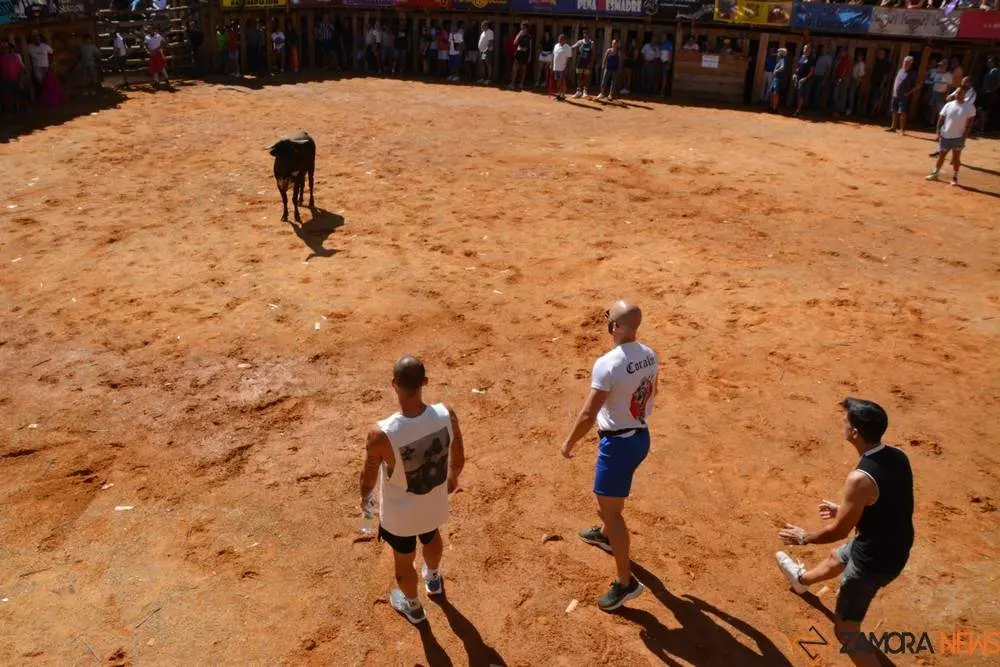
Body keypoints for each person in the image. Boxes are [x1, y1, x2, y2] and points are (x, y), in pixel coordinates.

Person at [776, 398, 913, 667]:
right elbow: (890, 504)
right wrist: (844, 509)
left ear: (855, 433)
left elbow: (839, 531)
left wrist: (804, 537)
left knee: (846, 631)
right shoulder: (897, 456)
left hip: (873, 562)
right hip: (892, 542)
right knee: (837, 557)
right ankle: (801, 580)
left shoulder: (859, 479)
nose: (842, 423)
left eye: (846, 421)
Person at [561, 301, 658, 612]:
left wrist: (568, 443)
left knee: (612, 511)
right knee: (609, 503)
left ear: (615, 327)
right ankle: (604, 535)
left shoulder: (608, 364)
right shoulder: (649, 355)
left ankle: (626, 583)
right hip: (640, 437)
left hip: (618, 446)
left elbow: (589, 413)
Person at [359, 356, 465, 625]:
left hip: (400, 515)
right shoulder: (446, 415)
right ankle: (433, 578)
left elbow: (369, 472)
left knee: (404, 559)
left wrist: (365, 496)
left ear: (394, 385)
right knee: (431, 537)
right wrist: (452, 477)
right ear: (425, 383)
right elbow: (458, 455)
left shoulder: (381, 434)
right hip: (433, 502)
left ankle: (414, 607)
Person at [926, 86, 975, 186]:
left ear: (964, 94)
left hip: (958, 137)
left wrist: (964, 136)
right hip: (945, 135)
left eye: (960, 93)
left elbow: (970, 123)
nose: (958, 95)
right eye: (956, 93)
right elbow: (941, 118)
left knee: (956, 158)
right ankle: (935, 173)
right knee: (941, 155)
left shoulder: (969, 107)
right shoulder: (949, 105)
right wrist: (938, 131)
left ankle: (955, 177)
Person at [888, 56, 916, 134]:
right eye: (904, 62)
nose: (905, 64)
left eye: (907, 62)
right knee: (894, 110)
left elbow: (917, 85)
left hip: (904, 96)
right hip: (895, 94)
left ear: (911, 64)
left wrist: (909, 92)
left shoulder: (912, 73)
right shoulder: (900, 70)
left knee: (903, 112)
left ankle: (902, 130)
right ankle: (893, 127)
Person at [0, 41, 27, 114]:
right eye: (2, 48)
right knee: (7, 99)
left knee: (18, 96)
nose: (4, 49)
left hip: (15, 80)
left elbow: (21, 70)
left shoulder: (14, 56)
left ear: (8, 48)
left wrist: (20, 81)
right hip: (4, 82)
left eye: (6, 48)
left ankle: (18, 110)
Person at [792, 44, 815, 117]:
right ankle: (798, 109)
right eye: (805, 49)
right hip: (798, 78)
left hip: (804, 80)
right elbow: (798, 67)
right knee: (798, 94)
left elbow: (812, 71)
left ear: (810, 50)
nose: (805, 50)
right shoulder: (801, 57)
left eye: (807, 49)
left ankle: (799, 111)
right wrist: (795, 74)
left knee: (801, 95)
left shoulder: (811, 59)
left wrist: (805, 78)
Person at [571, 29, 595, 99]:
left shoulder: (592, 43)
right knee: (579, 77)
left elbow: (593, 54)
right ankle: (578, 91)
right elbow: (573, 46)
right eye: (584, 33)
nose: (585, 34)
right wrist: (567, 47)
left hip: (588, 62)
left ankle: (585, 92)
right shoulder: (580, 42)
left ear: (588, 34)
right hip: (580, 62)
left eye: (586, 33)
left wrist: (591, 62)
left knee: (586, 77)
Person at [509, 22, 531, 91]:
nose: (522, 29)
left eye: (524, 28)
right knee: (515, 69)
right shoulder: (519, 35)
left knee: (523, 69)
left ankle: (521, 84)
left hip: (525, 54)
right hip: (518, 53)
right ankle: (512, 83)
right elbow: (515, 42)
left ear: (527, 29)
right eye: (522, 27)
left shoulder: (529, 36)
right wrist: (519, 34)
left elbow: (530, 47)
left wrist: (530, 56)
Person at [978, 55, 998, 131]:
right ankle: (981, 125)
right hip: (985, 92)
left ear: (993, 62)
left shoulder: (995, 70)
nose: (987, 63)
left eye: (989, 61)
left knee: (984, 110)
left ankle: (982, 127)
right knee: (982, 110)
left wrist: (992, 90)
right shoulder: (989, 70)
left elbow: (999, 82)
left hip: (989, 93)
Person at [869, 49, 891, 117]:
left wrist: (882, 84)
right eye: (879, 53)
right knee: (873, 97)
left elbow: (886, 75)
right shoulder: (877, 62)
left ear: (884, 55)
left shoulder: (886, 63)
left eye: (881, 53)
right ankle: (871, 112)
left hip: (880, 83)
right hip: (874, 82)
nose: (879, 55)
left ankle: (874, 113)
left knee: (877, 98)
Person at [551, 33, 571, 101]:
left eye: (561, 39)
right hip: (556, 67)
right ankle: (559, 95)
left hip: (563, 67)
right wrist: (552, 64)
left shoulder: (568, 47)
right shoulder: (556, 45)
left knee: (562, 82)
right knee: (558, 82)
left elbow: (569, 59)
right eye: (559, 39)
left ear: (565, 40)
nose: (560, 40)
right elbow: (554, 56)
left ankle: (562, 95)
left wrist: (566, 68)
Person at [832, 47, 851, 115]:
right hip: (837, 78)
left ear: (845, 53)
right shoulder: (839, 59)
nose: (841, 53)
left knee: (838, 95)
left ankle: (838, 111)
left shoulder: (846, 60)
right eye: (840, 52)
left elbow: (845, 70)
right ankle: (836, 110)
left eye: (842, 52)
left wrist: (841, 78)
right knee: (836, 94)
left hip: (841, 79)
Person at [770, 47, 788, 113]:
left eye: (779, 52)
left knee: (776, 93)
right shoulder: (781, 59)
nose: (778, 53)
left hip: (778, 79)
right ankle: (772, 106)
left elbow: (782, 67)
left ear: (782, 53)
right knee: (772, 92)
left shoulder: (783, 59)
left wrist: (776, 71)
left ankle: (775, 108)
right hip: (776, 78)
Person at [847, 52, 865, 116]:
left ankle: (851, 110)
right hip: (853, 79)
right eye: (858, 56)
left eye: (860, 56)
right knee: (851, 95)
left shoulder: (861, 64)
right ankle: (850, 109)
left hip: (856, 80)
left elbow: (861, 74)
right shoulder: (856, 63)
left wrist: (858, 82)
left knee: (852, 95)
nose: (858, 57)